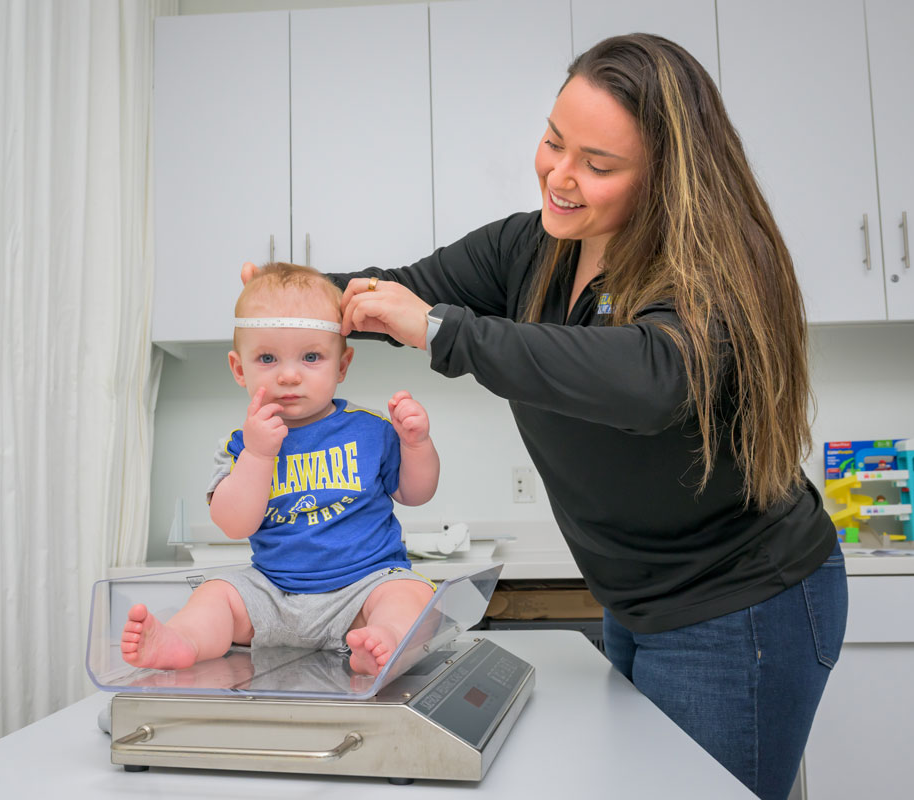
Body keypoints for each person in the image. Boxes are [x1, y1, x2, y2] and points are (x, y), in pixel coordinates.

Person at [244, 33, 848, 800]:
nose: (560, 177)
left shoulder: (708, 276)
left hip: (743, 604)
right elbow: (392, 293)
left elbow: (648, 379)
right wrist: (287, 299)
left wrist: (443, 330)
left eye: (598, 166)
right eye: (555, 143)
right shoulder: (531, 249)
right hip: (635, 598)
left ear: (666, 178)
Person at [122, 262, 440, 677]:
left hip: (362, 589)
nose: (289, 375)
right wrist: (256, 456)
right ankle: (183, 640)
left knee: (408, 592)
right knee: (217, 594)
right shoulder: (239, 443)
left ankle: (384, 641)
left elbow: (416, 493)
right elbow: (234, 524)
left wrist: (417, 445)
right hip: (274, 594)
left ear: (341, 366)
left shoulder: (371, 428)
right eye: (268, 358)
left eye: (311, 357)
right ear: (240, 369)